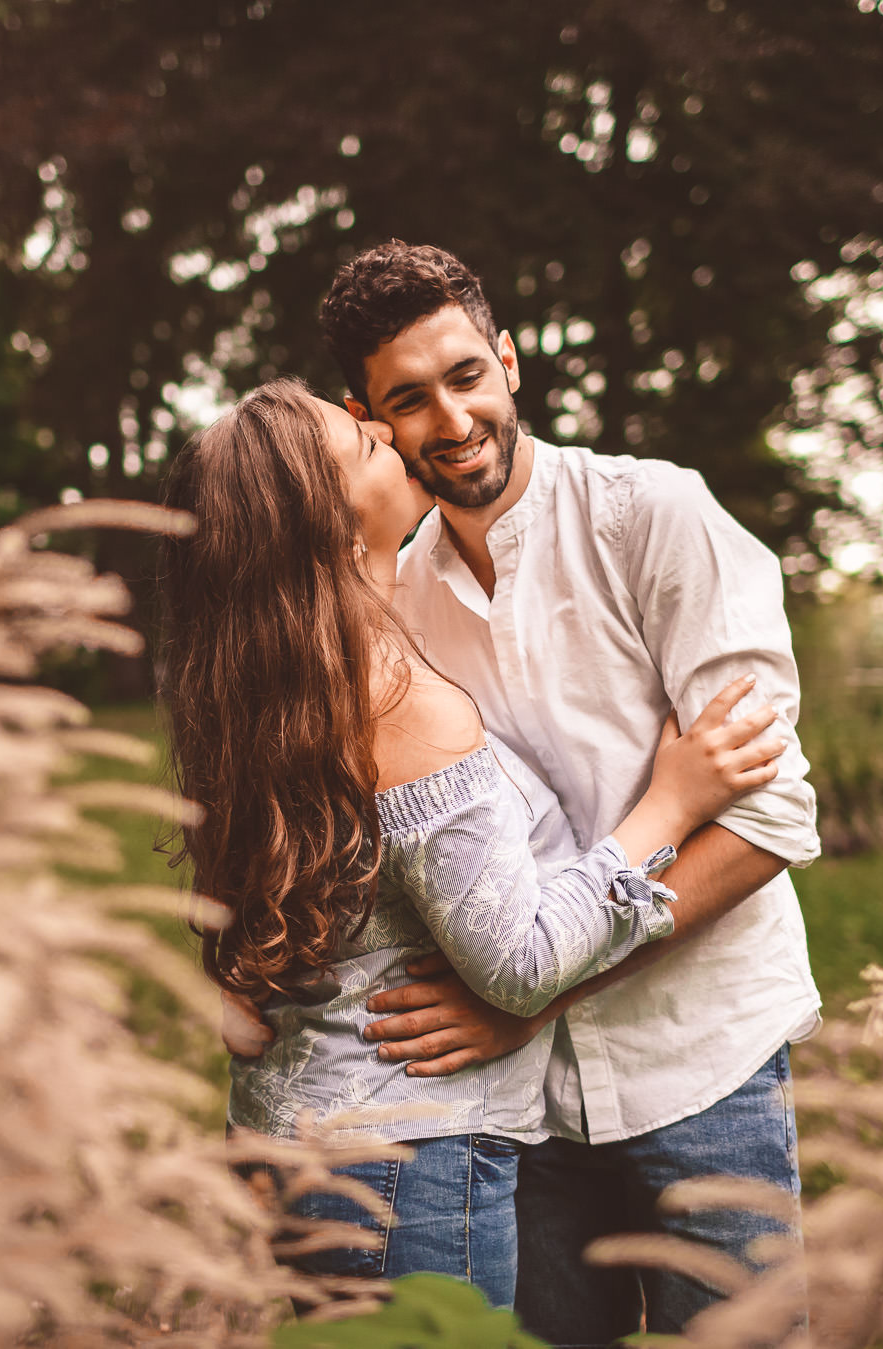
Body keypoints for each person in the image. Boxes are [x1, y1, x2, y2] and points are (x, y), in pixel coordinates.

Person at [157, 377, 785, 1307]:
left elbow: (245, 992)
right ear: (332, 531)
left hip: (289, 1133)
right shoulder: (398, 699)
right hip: (404, 1165)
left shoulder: (262, 689)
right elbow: (519, 964)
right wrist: (671, 801)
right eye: (366, 443)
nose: (390, 434)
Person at [314, 241, 824, 1344]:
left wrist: (532, 999)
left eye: (464, 377)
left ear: (507, 361)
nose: (450, 422)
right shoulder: (393, 591)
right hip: (519, 1107)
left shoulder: (653, 518)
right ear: (370, 417)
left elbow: (770, 817)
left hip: (699, 1060)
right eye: (408, 400)